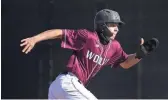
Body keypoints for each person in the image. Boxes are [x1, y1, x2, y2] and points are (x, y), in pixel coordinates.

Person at [20, 9, 159, 99]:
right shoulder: (88, 37)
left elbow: (125, 63)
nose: (117, 28)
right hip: (68, 83)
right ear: (102, 25)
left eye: (118, 26)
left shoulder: (115, 47)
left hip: (62, 89)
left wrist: (139, 55)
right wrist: (35, 39)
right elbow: (59, 33)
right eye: (113, 24)